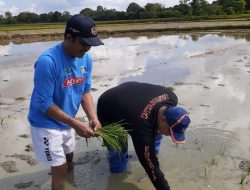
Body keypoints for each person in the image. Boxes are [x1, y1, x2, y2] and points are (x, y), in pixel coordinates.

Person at [28, 14, 103, 190]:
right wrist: (75, 123)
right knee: (59, 167)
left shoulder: (85, 59)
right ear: (69, 37)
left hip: (67, 119)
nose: (87, 48)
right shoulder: (48, 61)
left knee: (69, 160)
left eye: (90, 44)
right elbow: (43, 103)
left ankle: (70, 182)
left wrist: (93, 117)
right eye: (83, 43)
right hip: (45, 122)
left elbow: (85, 91)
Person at [97, 81, 191, 190]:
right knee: (119, 154)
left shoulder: (172, 98)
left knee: (156, 133)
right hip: (108, 105)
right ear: (163, 119)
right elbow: (151, 168)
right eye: (170, 132)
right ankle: (116, 175)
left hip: (130, 94)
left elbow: (156, 121)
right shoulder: (142, 129)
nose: (170, 136)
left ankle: (153, 151)